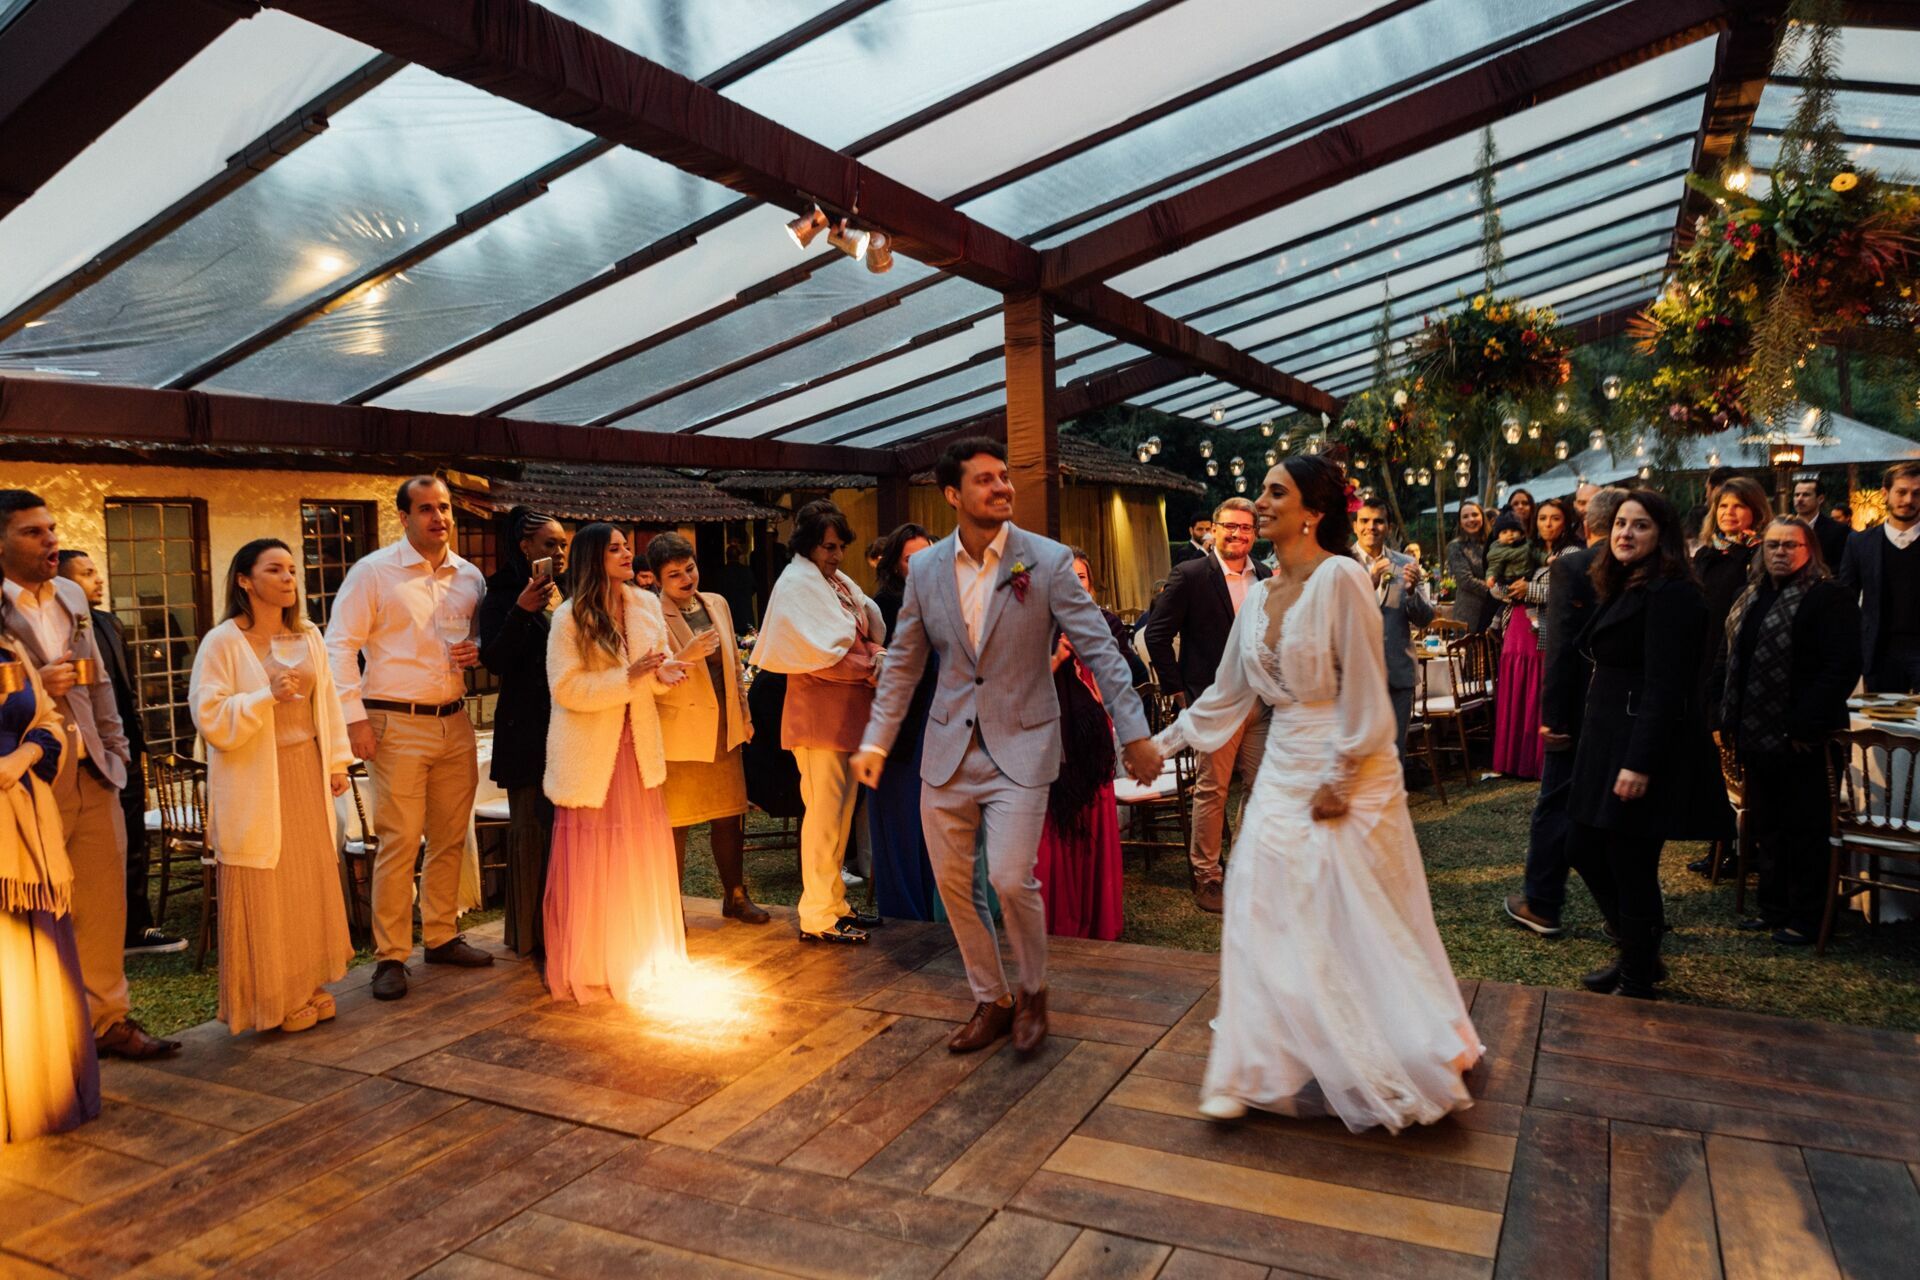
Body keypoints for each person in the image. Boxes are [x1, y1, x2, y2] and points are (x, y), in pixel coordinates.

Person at [1140, 455, 1479, 1131]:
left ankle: (1389, 1046)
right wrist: (1164, 743)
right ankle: (1251, 1065)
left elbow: (1365, 685)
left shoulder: (1342, 577)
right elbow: (1229, 694)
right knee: (1254, 895)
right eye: (1262, 493)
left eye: (1275, 493)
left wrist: (1343, 773)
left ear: (1312, 513)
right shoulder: (1261, 594)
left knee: (1346, 913)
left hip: (1347, 761)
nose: (1261, 504)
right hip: (1285, 762)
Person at [852, 438, 1157, 1056]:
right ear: (952, 495)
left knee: (1012, 878)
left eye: (1004, 477)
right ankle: (991, 1000)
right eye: (985, 480)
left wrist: (1135, 733)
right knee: (956, 885)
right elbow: (905, 662)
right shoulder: (928, 569)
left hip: (1022, 746)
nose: (1001, 487)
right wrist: (878, 741)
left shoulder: (1045, 561)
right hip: (946, 751)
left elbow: (1100, 649)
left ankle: (1035, 989)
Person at [0, 492, 175, 1060]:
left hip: (94, 770)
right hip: (26, 780)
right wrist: (33, 691)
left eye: (51, 528)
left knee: (104, 903)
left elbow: (99, 683)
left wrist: (115, 753)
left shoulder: (72, 596)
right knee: (33, 908)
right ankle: (41, 1034)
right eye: (32, 532)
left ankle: (107, 1021)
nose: (51, 540)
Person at [325, 475, 490, 1002]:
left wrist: (478, 649)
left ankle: (440, 935)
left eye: (443, 508)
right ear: (403, 516)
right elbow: (338, 648)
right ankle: (391, 956)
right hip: (393, 721)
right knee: (399, 841)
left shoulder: (469, 576)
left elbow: (484, 635)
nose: (437, 518)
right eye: (425, 509)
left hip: (455, 719)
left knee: (450, 835)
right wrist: (353, 720)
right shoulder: (374, 572)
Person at [1566, 491, 1731, 1000]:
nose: (1625, 534)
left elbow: (1667, 685)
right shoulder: (1623, 583)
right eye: (1619, 524)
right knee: (1583, 846)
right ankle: (1639, 952)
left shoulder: (1671, 593)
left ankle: (1638, 975)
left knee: (1629, 859)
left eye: (1640, 526)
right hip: (1606, 736)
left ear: (1663, 535)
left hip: (1643, 742)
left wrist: (1639, 763)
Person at [190, 540, 355, 1034]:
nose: (289, 579)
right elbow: (209, 715)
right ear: (244, 579)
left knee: (307, 878)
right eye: (275, 570)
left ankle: (306, 982)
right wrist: (265, 695)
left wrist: (337, 761)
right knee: (267, 880)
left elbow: (327, 702)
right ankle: (272, 994)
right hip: (255, 778)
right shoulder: (222, 642)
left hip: (305, 766)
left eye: (292, 570)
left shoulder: (307, 635)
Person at [542, 523, 690, 1003]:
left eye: (628, 546)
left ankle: (640, 955)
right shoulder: (569, 617)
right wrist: (627, 679)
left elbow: (655, 664)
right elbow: (565, 689)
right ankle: (595, 962)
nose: (628, 554)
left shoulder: (645, 604)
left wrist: (665, 673)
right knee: (595, 858)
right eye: (616, 548)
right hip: (591, 750)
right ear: (593, 557)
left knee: (637, 853)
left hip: (638, 745)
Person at [1722, 517, 1861, 945]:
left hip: (1804, 737)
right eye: (1773, 545)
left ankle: (1806, 916)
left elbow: (1841, 667)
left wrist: (1804, 721)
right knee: (1767, 825)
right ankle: (1773, 908)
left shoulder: (1827, 597)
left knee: (1805, 830)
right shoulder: (1752, 596)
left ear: (1809, 550)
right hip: (1755, 733)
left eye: (1790, 545)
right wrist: (1722, 714)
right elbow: (1729, 660)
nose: (1780, 552)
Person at [753, 501, 885, 945]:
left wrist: (871, 656)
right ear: (808, 544)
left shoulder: (835, 583)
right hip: (817, 720)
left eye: (840, 547)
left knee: (841, 818)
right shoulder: (796, 585)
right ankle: (817, 915)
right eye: (829, 547)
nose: (837, 555)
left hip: (845, 716)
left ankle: (836, 906)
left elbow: (857, 634)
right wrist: (873, 662)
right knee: (824, 817)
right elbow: (817, 656)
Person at [1504, 487, 1629, 937]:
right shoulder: (1648, 570)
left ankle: (1542, 902)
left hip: (1576, 707)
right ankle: (1629, 914)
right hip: (1626, 712)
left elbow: (1559, 647)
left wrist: (1552, 715)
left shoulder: (1573, 566)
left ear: (1586, 523)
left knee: (1556, 802)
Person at [1143, 498, 1272, 912]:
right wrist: (1180, 692)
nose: (1237, 534)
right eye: (1229, 526)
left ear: (1255, 533)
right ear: (1213, 530)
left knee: (1260, 789)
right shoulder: (1192, 574)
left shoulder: (1267, 576)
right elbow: (1155, 636)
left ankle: (1248, 868)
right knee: (1212, 791)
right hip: (1213, 702)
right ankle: (1208, 875)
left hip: (1261, 702)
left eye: (1246, 528)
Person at [57, 549, 184, 956]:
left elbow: (120, 689)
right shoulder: (55, 625)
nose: (99, 580)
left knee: (130, 842)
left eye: (97, 572)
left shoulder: (110, 623)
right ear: (62, 582)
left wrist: (128, 745)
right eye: (87, 573)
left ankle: (136, 926)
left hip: (121, 750)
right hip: (73, 754)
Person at [0, 636, 101, 1143]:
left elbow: (49, 721)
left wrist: (26, 757)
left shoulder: (8, 646)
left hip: (23, 816)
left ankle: (39, 1091)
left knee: (34, 954)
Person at [649, 532, 767, 925]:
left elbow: (735, 665)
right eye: (674, 575)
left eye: (690, 568)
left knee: (729, 815)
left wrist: (745, 716)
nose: (687, 579)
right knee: (676, 825)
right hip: (680, 733)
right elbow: (652, 675)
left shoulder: (716, 602)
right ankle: (670, 909)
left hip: (724, 726)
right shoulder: (651, 614)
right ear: (657, 579)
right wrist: (688, 654)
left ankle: (735, 895)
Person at [477, 508, 568, 961]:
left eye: (564, 545)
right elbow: (493, 660)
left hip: (565, 725)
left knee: (563, 830)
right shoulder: (500, 593)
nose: (559, 553)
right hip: (525, 726)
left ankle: (562, 923)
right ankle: (531, 936)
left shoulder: (566, 593)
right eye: (550, 545)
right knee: (531, 829)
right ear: (525, 547)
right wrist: (519, 611)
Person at [1034, 550, 1125, 941]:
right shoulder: (1033, 626)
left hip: (1091, 746)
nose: (1075, 584)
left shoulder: (1108, 624)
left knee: (1092, 832)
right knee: (1052, 834)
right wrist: (1055, 659)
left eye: (1082, 577)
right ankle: (1058, 921)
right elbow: (1014, 683)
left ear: (1092, 584)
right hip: (1047, 746)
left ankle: (1097, 919)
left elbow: (1122, 678)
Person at [866, 522, 944, 922]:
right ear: (896, 564)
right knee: (900, 828)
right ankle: (904, 918)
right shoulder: (887, 604)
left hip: (935, 730)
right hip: (902, 734)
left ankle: (928, 914)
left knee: (928, 831)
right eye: (913, 560)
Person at [1493, 499, 1578, 780]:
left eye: (1554, 518)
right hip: (1516, 627)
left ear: (1565, 521)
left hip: (1544, 631)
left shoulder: (1573, 552)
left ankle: (1537, 761)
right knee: (1515, 688)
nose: (1548, 524)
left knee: (1537, 690)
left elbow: (1569, 596)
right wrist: (1507, 589)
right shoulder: (1523, 547)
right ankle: (1513, 760)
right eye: (1542, 518)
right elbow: (1496, 584)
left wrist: (1530, 590)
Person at [1352, 501, 1433, 756]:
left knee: (1393, 752)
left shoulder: (1406, 562)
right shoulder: (1341, 562)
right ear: (1355, 526)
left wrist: (1411, 592)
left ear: (1388, 527)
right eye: (1364, 521)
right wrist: (1369, 583)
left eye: (1378, 521)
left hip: (1397, 671)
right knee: (1359, 753)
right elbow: (1336, 616)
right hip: (1356, 675)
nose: (1371, 527)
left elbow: (1425, 618)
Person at [1838, 461, 1920, 693]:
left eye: (1916, 494)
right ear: (1885, 494)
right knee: (1884, 724)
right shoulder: (1860, 542)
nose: (1908, 500)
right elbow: (1846, 598)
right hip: (1880, 650)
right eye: (1901, 492)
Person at [1446, 500, 1496, 632]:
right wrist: (1497, 591)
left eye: (1475, 514)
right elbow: (1465, 581)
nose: (1471, 519)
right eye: (1465, 516)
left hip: (1496, 612)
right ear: (1460, 523)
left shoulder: (1495, 544)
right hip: (1469, 613)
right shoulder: (1455, 547)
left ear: (1482, 517)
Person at [1792, 473, 1850, 569]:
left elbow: (1841, 566)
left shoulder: (1838, 531)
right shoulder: (1784, 528)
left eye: (1806, 495)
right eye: (1796, 495)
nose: (1799, 499)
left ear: (1820, 499)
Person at [714, 542, 760, 634]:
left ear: (727, 556)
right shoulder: (746, 571)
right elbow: (754, 587)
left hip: (728, 614)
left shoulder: (721, 572)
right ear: (739, 556)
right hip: (745, 613)